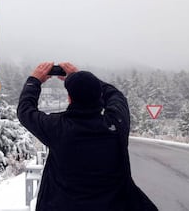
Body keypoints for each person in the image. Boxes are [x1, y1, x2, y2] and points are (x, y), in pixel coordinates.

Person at [17, 62, 158, 211]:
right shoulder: (115, 125)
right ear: (99, 96)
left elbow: (25, 111)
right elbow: (116, 96)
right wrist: (82, 78)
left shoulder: (56, 127)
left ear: (70, 99)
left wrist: (34, 81)